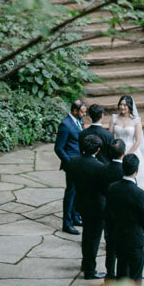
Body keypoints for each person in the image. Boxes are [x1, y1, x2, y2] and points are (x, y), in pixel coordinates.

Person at [66, 134, 107, 279]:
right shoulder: (100, 167)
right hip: (97, 206)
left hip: (81, 203)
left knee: (86, 235)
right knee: (94, 238)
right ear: (97, 150)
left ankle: (85, 263)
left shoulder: (73, 161)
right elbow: (103, 189)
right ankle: (90, 270)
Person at [105, 153, 144, 282]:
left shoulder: (112, 188)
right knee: (135, 277)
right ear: (137, 170)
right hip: (134, 239)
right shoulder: (140, 194)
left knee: (122, 272)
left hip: (118, 236)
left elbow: (109, 213)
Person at [54, 100, 86, 234]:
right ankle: (67, 223)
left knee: (78, 193)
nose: (84, 114)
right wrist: (70, 163)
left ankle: (75, 217)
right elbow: (59, 148)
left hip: (80, 163)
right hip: (71, 165)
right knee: (71, 193)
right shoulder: (65, 125)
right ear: (74, 111)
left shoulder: (78, 121)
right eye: (82, 111)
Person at [100, 138, 126, 278]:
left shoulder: (103, 169)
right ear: (124, 153)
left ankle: (110, 274)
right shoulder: (125, 171)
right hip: (122, 214)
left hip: (108, 212)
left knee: (110, 245)